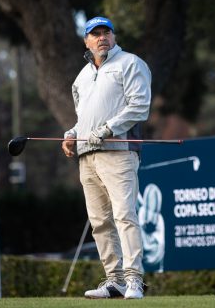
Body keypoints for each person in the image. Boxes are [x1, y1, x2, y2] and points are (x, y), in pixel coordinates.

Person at [62, 16, 151, 299]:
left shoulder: (130, 63)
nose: (102, 37)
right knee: (99, 221)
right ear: (86, 41)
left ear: (113, 36)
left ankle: (134, 279)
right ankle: (114, 281)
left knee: (125, 215)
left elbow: (139, 106)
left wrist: (108, 129)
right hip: (87, 156)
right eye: (95, 34)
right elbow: (83, 118)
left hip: (119, 152)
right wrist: (72, 133)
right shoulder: (81, 77)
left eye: (106, 32)